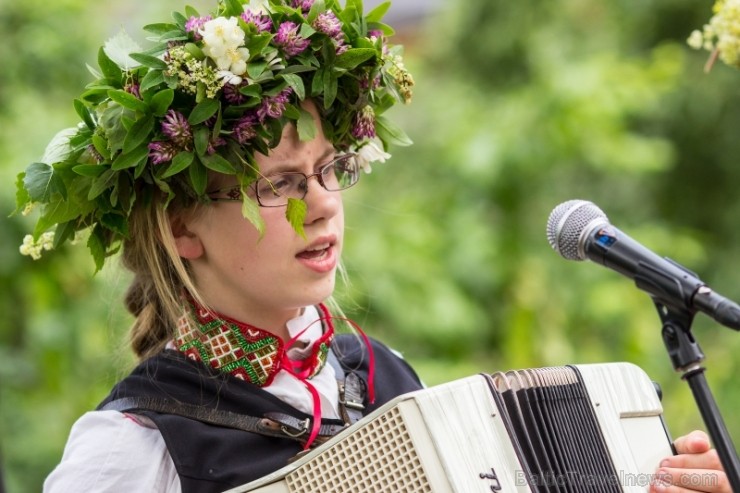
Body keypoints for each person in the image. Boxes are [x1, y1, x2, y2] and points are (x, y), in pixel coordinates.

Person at [15, 1, 730, 492]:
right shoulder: (133, 445)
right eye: (279, 184)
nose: (322, 203)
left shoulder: (381, 378)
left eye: (329, 172)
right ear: (180, 229)